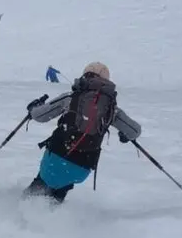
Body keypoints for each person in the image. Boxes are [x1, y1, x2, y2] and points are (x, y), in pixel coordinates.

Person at [23, 61, 142, 203]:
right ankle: (51, 218)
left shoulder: (70, 97)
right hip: (82, 167)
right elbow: (135, 130)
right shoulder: (111, 108)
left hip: (56, 157)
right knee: (60, 191)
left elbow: (39, 116)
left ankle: (19, 214)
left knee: (40, 186)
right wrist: (125, 135)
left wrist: (33, 108)